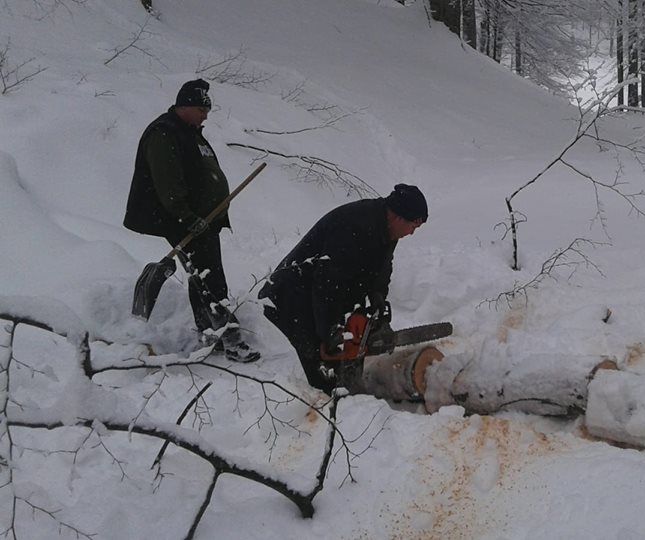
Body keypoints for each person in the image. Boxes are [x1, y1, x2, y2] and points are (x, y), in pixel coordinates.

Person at [124, 79, 259, 363]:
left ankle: (211, 333)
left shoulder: (189, 133)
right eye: (201, 109)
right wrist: (186, 216)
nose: (205, 115)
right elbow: (168, 183)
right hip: (185, 221)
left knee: (202, 278)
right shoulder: (165, 133)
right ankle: (231, 340)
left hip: (203, 221)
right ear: (184, 106)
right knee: (210, 280)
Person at [258, 184, 428, 394]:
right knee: (322, 359)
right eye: (413, 226)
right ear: (398, 217)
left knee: (350, 346)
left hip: (323, 290)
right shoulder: (354, 226)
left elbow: (381, 266)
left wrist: (377, 295)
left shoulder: (387, 229)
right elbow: (328, 282)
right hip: (290, 295)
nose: (411, 233)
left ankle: (350, 391)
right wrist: (329, 330)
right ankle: (326, 407)